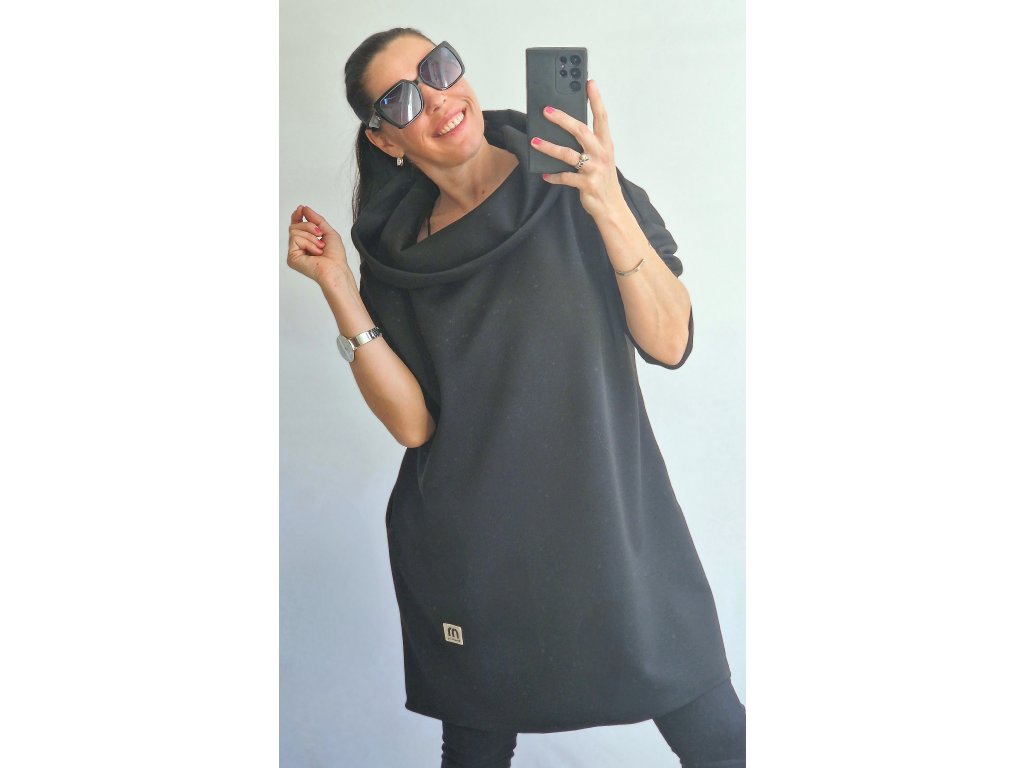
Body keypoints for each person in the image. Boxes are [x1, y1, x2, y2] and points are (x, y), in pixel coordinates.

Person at [286, 27, 745, 768]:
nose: (438, 98)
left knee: (720, 739)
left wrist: (606, 202)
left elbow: (669, 341)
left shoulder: (573, 176)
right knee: (474, 755)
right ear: (385, 141)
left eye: (438, 68)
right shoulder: (396, 255)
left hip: (617, 528)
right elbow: (414, 425)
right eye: (403, 99)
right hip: (471, 554)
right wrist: (340, 286)